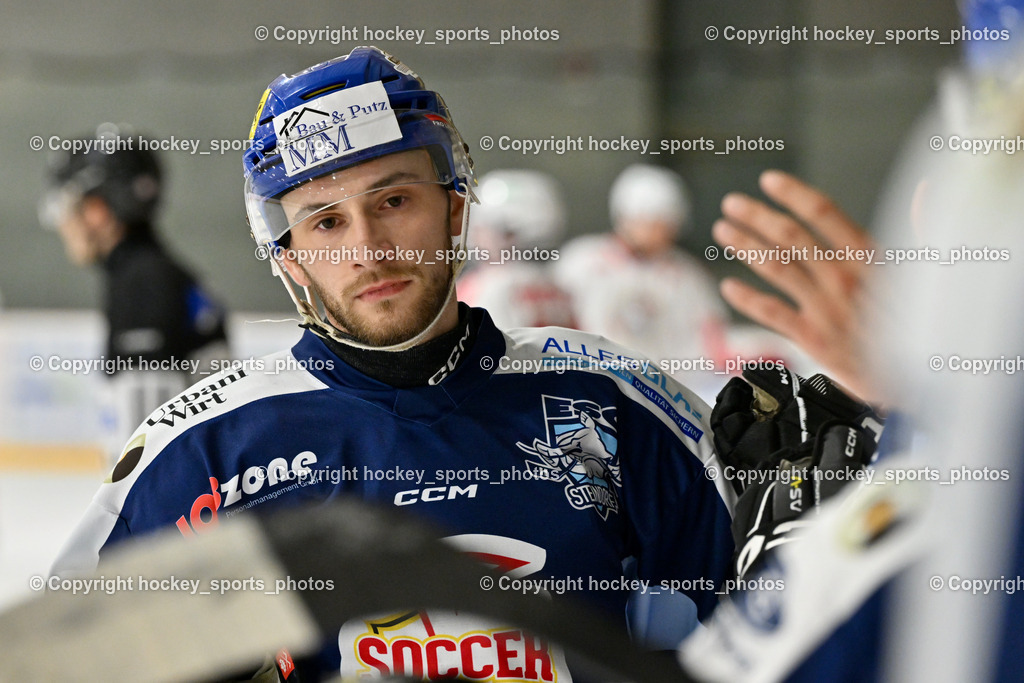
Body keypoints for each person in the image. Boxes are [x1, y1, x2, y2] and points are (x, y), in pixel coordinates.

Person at [52, 47, 735, 681]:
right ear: (288, 255)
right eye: (325, 221)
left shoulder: (612, 397)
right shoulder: (203, 450)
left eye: (395, 201)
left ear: (454, 205)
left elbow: (776, 631)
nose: (369, 248)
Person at [40, 127, 229, 461]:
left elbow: (147, 454)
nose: (62, 224)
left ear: (98, 210)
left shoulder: (143, 284)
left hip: (185, 507)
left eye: (67, 207)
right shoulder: (162, 273)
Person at [553, 164, 729, 401]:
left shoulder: (688, 273)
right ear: (626, 216)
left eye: (669, 223)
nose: (663, 232)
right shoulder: (582, 261)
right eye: (653, 221)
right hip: (597, 387)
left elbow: (715, 340)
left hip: (675, 392)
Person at [457, 169, 576, 329]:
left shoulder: (487, 285)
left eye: (484, 226)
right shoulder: (559, 287)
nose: (475, 234)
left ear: (509, 234)